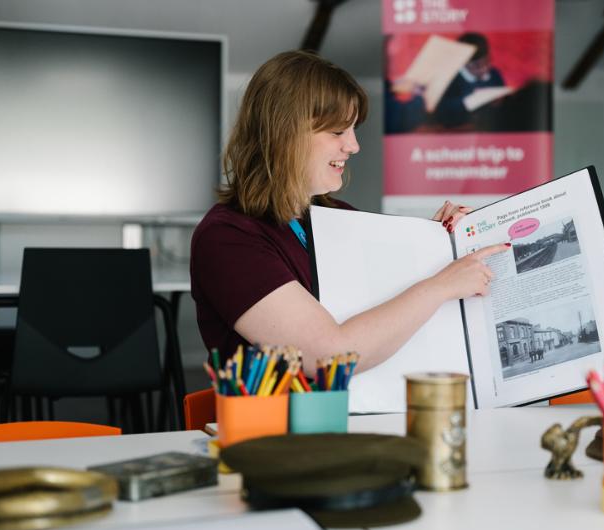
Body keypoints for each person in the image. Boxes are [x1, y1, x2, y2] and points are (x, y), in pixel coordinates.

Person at [190, 50, 510, 373]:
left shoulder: (336, 216)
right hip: (280, 423)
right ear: (285, 134)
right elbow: (328, 358)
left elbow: (383, 317)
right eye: (337, 132)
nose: (353, 146)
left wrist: (435, 245)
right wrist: (441, 285)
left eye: (353, 129)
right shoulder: (226, 238)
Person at [434, 32, 505, 129]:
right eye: (477, 66)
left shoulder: (494, 74)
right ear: (462, 63)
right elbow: (442, 112)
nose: (484, 69)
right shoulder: (451, 79)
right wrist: (468, 102)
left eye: (487, 61)